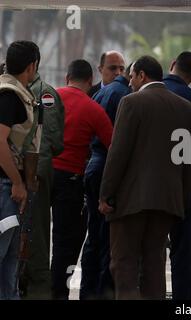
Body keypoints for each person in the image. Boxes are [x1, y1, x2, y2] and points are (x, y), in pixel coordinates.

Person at [98, 55, 191, 300]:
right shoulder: (185, 107)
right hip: (167, 202)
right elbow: (187, 160)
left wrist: (106, 194)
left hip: (131, 201)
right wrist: (181, 199)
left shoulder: (131, 102)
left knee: (124, 264)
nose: (129, 82)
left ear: (142, 75)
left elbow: (118, 152)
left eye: (131, 76)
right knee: (154, 265)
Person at [51, 59, 113, 300]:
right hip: (71, 180)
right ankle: (58, 293)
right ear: (90, 82)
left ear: (67, 78)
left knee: (35, 238)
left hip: (43, 175)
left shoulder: (50, 99)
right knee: (65, 243)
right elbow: (113, 146)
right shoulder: (93, 108)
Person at [79, 63, 132, 300]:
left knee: (95, 234)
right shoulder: (124, 95)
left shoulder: (104, 90)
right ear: (136, 76)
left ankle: (87, 291)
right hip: (106, 166)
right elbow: (117, 144)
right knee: (108, 237)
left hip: (94, 165)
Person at [19, 53, 65, 300]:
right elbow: (55, 141)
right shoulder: (43, 93)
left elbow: (51, 140)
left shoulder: (42, 94)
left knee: (31, 236)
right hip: (33, 171)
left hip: (31, 173)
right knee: (33, 234)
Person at [163, 52, 191, 300]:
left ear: (171, 66)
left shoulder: (140, 95)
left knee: (150, 251)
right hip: (181, 188)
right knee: (182, 252)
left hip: (146, 189)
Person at [0, 40, 40, 300]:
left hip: (11, 189)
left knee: (10, 262)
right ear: (32, 66)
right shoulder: (9, 95)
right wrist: (17, 182)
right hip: (5, 188)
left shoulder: (19, 94)